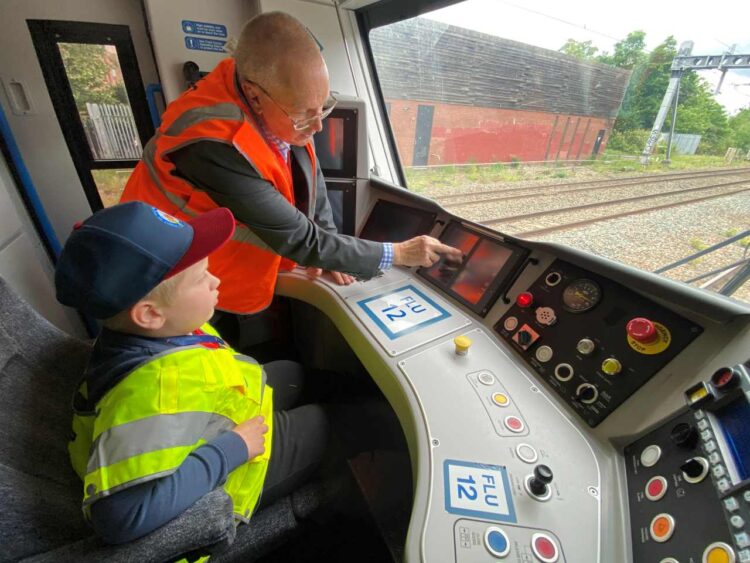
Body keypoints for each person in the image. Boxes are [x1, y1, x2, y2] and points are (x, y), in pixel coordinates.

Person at [119, 10, 461, 317]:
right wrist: (398, 253)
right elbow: (300, 239)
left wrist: (330, 249)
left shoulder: (282, 102)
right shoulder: (212, 142)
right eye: (304, 116)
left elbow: (312, 177)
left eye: (323, 107)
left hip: (236, 272)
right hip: (184, 284)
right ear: (254, 95)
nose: (317, 127)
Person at [55, 201, 330, 544]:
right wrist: (232, 449)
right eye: (201, 278)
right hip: (233, 472)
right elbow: (117, 518)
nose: (216, 281)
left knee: (293, 372)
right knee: (327, 423)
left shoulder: (153, 331)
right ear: (150, 313)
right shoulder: (154, 390)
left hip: (210, 419)